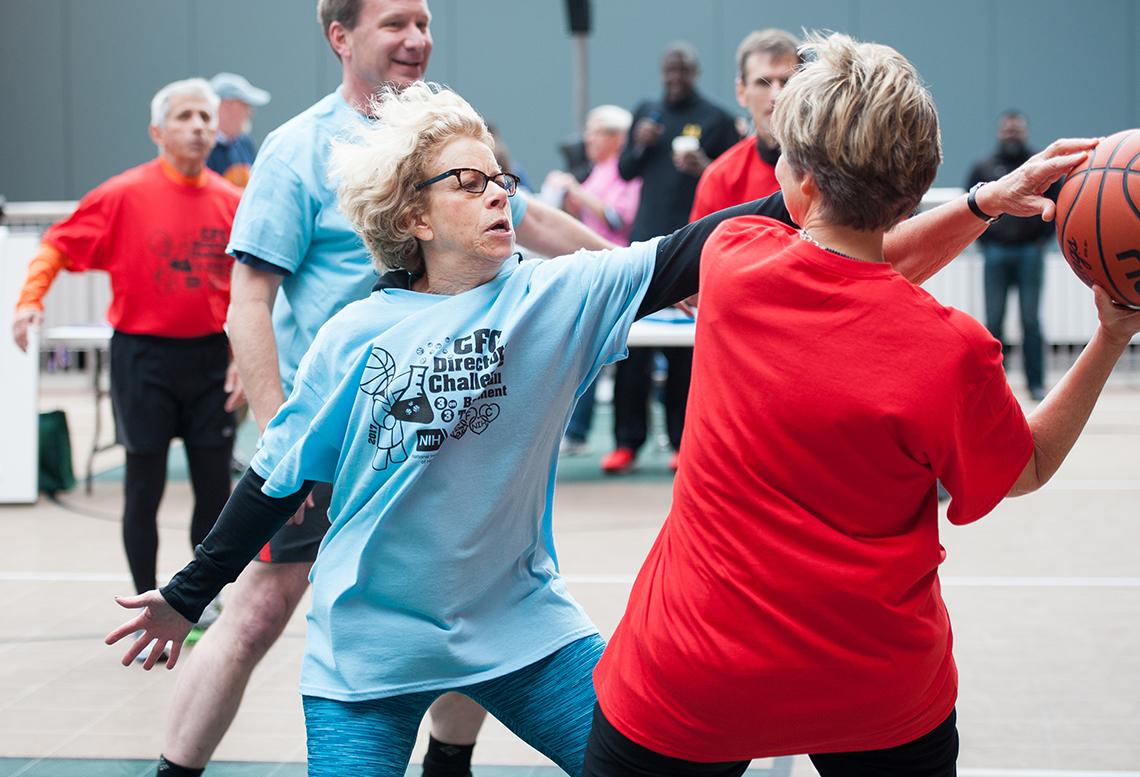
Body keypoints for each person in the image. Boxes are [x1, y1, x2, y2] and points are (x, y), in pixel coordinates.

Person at [108, 76, 1085, 776]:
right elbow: (274, 482)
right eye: (469, 182)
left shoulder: (559, 297)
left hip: (523, 632)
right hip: (369, 653)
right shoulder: (353, 336)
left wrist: (973, 201)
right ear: (410, 214)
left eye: (503, 177)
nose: (500, 194)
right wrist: (186, 597)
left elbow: (794, 235)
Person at [583, 34, 1124, 777]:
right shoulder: (952, 350)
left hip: (695, 673)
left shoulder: (733, 258)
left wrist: (980, 207)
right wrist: (1109, 333)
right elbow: (1022, 465)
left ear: (799, 185)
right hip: (879, 688)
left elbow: (846, 265)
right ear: (915, 187)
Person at [154, 3, 615, 776]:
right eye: (394, 23)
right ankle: (175, 768)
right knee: (257, 611)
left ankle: (448, 759)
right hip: (337, 436)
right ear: (340, 37)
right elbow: (250, 301)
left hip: (449, 424)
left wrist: (633, 275)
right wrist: (284, 439)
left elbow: (543, 229)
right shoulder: (297, 149)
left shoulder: (445, 141)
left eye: (424, 22)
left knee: (475, 587)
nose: (416, 40)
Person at [10, 78, 244, 609]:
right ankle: (146, 596)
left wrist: (243, 361)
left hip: (210, 359)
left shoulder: (233, 203)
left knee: (213, 486)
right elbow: (57, 246)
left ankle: (201, 597)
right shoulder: (123, 195)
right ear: (157, 131)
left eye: (206, 117)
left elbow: (250, 292)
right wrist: (30, 301)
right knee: (144, 483)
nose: (198, 127)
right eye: (185, 117)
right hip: (143, 358)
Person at [606, 41, 739, 475]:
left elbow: (729, 177)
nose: (675, 79)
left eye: (683, 72)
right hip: (645, 239)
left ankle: (683, 441)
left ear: (694, 72)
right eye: (669, 72)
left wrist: (703, 166)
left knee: (686, 351)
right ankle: (627, 441)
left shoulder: (715, 118)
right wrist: (640, 143)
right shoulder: (648, 112)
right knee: (631, 347)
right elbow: (625, 170)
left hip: (692, 239)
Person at [543, 105, 643, 453]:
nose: (588, 138)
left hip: (615, 272)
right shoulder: (599, 171)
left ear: (617, 137)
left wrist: (578, 191)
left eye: (596, 131)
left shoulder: (626, 172)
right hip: (591, 269)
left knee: (596, 350)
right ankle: (576, 429)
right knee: (584, 348)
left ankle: (586, 432)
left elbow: (618, 219)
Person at [967, 111, 1059, 401]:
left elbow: (1058, 202)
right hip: (995, 253)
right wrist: (983, 242)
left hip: (1030, 252)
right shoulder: (984, 167)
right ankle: (996, 387)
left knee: (1030, 320)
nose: (1011, 134)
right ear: (999, 132)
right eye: (1007, 129)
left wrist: (1043, 242)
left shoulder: (1040, 167)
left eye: (1016, 129)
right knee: (993, 321)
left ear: (1025, 132)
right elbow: (966, 205)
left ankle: (1035, 384)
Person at [689, 28, 800, 220]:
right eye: (763, 83)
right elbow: (702, 250)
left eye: (786, 81)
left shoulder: (834, 170)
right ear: (741, 91)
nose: (777, 95)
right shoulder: (721, 178)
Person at [205, 72, 271, 187]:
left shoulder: (244, 142)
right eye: (245, 105)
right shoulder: (202, 148)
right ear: (226, 106)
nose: (250, 112)